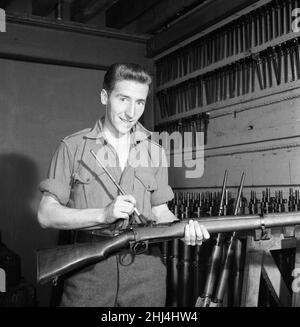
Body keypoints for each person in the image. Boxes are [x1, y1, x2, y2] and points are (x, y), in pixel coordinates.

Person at [37, 63, 210, 307]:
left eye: (140, 102)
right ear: (104, 96)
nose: (131, 112)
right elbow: (46, 214)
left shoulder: (155, 152)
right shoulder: (72, 147)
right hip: (88, 270)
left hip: (146, 271)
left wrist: (184, 230)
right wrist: (103, 214)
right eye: (123, 99)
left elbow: (160, 212)